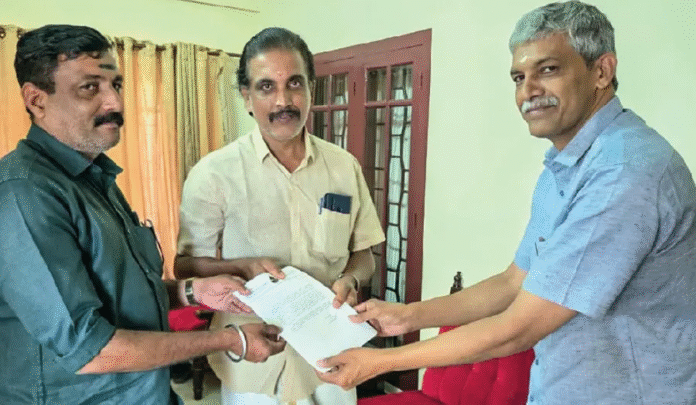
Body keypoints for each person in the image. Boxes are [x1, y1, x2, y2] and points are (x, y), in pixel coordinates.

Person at [316, 2, 696, 404]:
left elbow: (519, 328)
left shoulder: (624, 171)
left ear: (601, 71)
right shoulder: (564, 166)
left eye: (548, 70)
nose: (528, 91)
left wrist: (379, 363)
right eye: (519, 77)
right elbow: (513, 282)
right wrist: (407, 316)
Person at [0, 24, 286, 405]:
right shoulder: (25, 193)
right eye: (90, 88)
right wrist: (230, 340)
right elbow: (89, 350)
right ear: (36, 100)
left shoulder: (96, 179)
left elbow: (123, 296)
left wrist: (193, 291)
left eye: (116, 85)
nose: (114, 104)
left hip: (146, 393)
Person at [175, 27, 385, 405]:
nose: (283, 101)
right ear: (246, 97)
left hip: (330, 350)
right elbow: (185, 265)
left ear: (311, 89)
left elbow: (364, 253)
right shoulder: (213, 174)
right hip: (254, 354)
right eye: (266, 87)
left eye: (294, 84)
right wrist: (242, 266)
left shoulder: (343, 167)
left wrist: (351, 279)